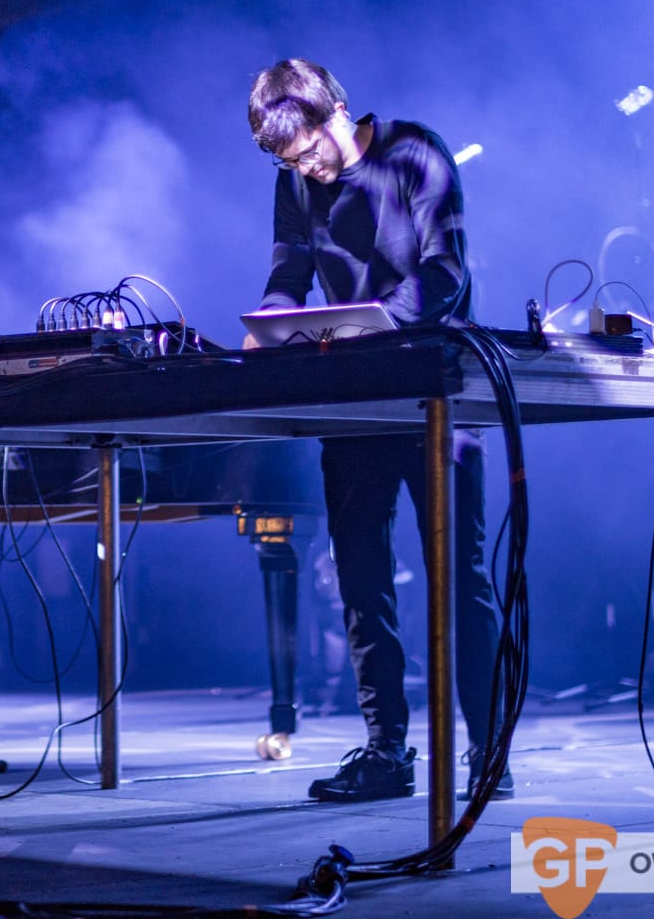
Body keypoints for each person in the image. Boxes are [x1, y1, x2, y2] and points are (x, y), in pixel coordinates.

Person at [244, 58, 509, 802]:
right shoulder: (294, 182)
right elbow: (289, 274)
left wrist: (372, 327)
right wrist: (267, 320)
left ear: (338, 111)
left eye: (310, 152)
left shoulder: (415, 154)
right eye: (290, 162)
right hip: (355, 403)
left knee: (461, 579)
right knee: (362, 581)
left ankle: (489, 753)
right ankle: (386, 751)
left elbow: (444, 271)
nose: (308, 171)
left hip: (436, 394)